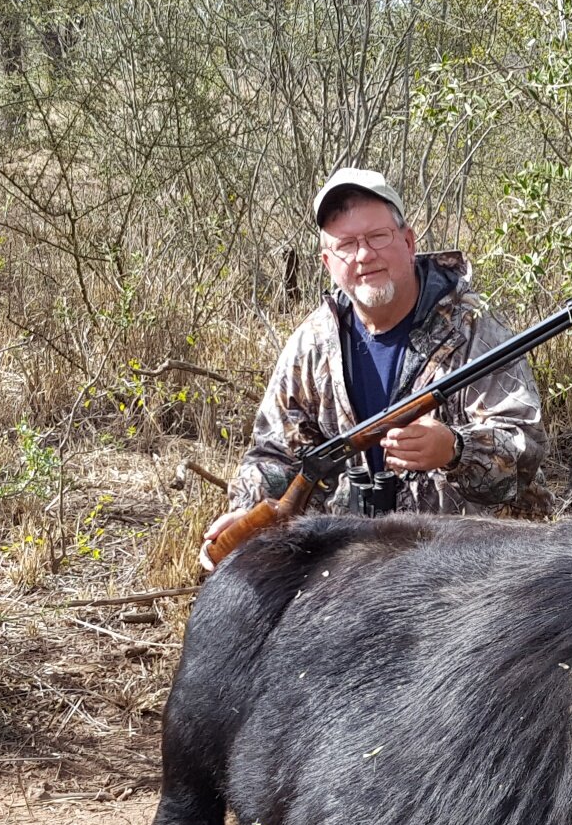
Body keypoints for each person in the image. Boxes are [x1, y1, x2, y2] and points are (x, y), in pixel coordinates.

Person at [200, 169, 548, 564]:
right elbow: (274, 452)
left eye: (377, 237)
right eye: (346, 245)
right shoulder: (312, 343)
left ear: (408, 240)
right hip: (353, 566)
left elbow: (524, 451)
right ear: (328, 262)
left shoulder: (475, 328)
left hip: (468, 566)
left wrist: (455, 448)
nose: (364, 255)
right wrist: (252, 509)